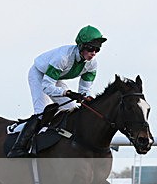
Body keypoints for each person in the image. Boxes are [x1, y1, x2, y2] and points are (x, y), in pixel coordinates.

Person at [7, 25, 107, 158]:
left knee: (71, 109)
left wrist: (88, 98)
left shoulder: (92, 64)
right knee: (42, 113)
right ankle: (17, 146)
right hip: (40, 74)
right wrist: (67, 93)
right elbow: (47, 87)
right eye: (90, 48)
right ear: (81, 46)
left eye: (97, 49)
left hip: (55, 78)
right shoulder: (62, 58)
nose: (93, 53)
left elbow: (85, 90)